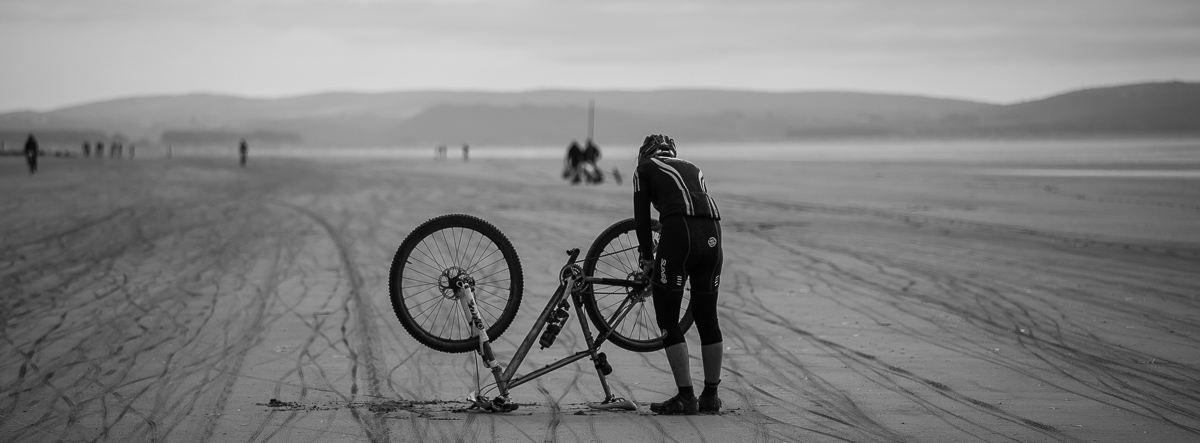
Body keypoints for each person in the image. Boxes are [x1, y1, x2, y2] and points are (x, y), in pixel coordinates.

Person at [633, 134, 724, 415]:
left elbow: (641, 218)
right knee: (707, 317)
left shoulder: (644, 168)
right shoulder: (693, 167)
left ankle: (686, 397)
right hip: (713, 233)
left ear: (644, 154)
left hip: (679, 232)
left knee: (667, 319)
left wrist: (648, 258)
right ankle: (711, 396)